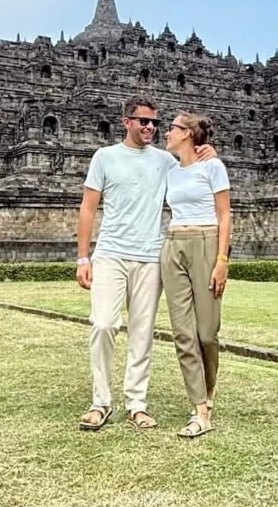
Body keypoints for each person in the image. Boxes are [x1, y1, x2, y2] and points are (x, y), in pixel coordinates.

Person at [76, 95, 215, 431]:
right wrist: (83, 256)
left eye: (155, 122)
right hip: (110, 252)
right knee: (103, 324)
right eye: (143, 121)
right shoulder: (104, 157)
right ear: (127, 122)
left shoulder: (165, 161)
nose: (151, 127)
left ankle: (136, 404)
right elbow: (88, 207)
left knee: (142, 333)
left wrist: (207, 153)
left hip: (151, 256)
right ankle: (100, 402)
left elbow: (193, 172)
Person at [161, 113, 231, 438]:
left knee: (206, 333)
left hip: (206, 242)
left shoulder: (213, 167)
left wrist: (222, 260)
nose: (166, 132)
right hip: (173, 243)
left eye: (172, 128)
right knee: (182, 333)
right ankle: (200, 409)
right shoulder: (169, 170)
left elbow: (224, 214)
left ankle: (209, 391)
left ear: (188, 133)